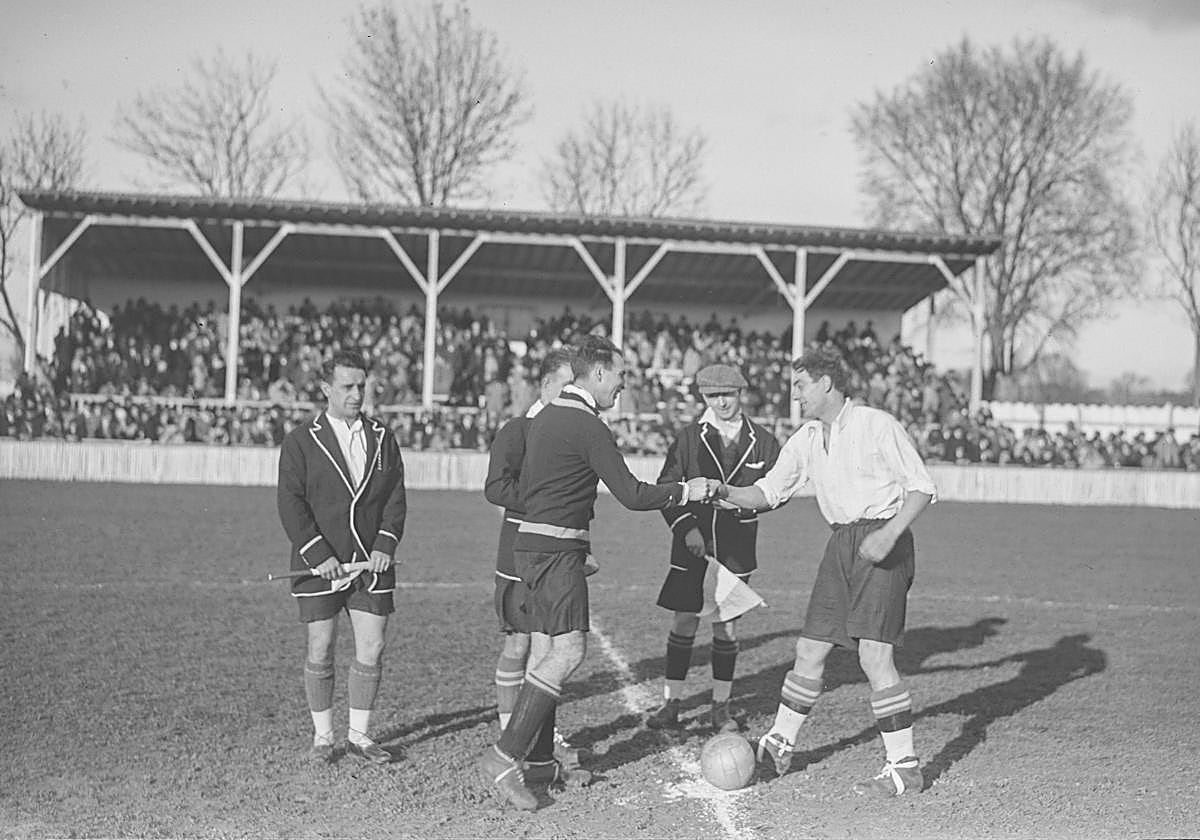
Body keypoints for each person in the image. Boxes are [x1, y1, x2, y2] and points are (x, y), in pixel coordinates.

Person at [476, 335, 711, 811]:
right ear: (599, 373)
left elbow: (543, 490)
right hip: (556, 554)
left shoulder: (546, 418)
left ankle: (541, 762)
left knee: (545, 650)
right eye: (620, 376)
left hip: (535, 550)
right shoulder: (587, 424)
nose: (623, 386)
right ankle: (504, 756)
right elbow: (632, 494)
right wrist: (689, 490)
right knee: (569, 651)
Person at [709, 346, 936, 798]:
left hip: (881, 542)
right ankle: (779, 743)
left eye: (800, 385)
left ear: (826, 383)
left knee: (874, 656)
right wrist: (722, 491)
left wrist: (889, 535)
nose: (795, 395)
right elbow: (769, 491)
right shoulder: (809, 437)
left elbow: (922, 487)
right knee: (809, 648)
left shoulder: (876, 424)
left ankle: (904, 765)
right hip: (842, 545)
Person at [277, 349, 408, 765]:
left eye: (361, 386)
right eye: (347, 387)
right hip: (320, 565)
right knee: (321, 646)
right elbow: (290, 503)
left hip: (371, 564)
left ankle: (360, 737)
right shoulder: (300, 440)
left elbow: (395, 498)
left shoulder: (384, 438)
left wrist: (385, 544)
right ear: (326, 389)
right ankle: (322, 738)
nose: (356, 394)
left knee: (373, 645)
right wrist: (318, 554)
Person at [645, 363, 784, 734]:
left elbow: (778, 491)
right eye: (712, 396)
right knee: (685, 620)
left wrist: (746, 503)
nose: (721, 402)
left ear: (742, 393)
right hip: (692, 545)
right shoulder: (689, 437)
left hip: (737, 547)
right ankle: (671, 703)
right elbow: (665, 488)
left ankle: (720, 706)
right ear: (703, 398)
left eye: (728, 394)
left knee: (727, 627)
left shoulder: (765, 441)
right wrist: (685, 527)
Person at [482, 348, 589, 786]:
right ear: (546, 387)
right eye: (564, 385)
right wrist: (543, 504)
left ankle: (535, 745)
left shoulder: (572, 431)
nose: (571, 394)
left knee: (549, 652)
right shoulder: (518, 429)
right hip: (519, 558)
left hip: (558, 555)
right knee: (518, 648)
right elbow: (495, 488)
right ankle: (513, 736)